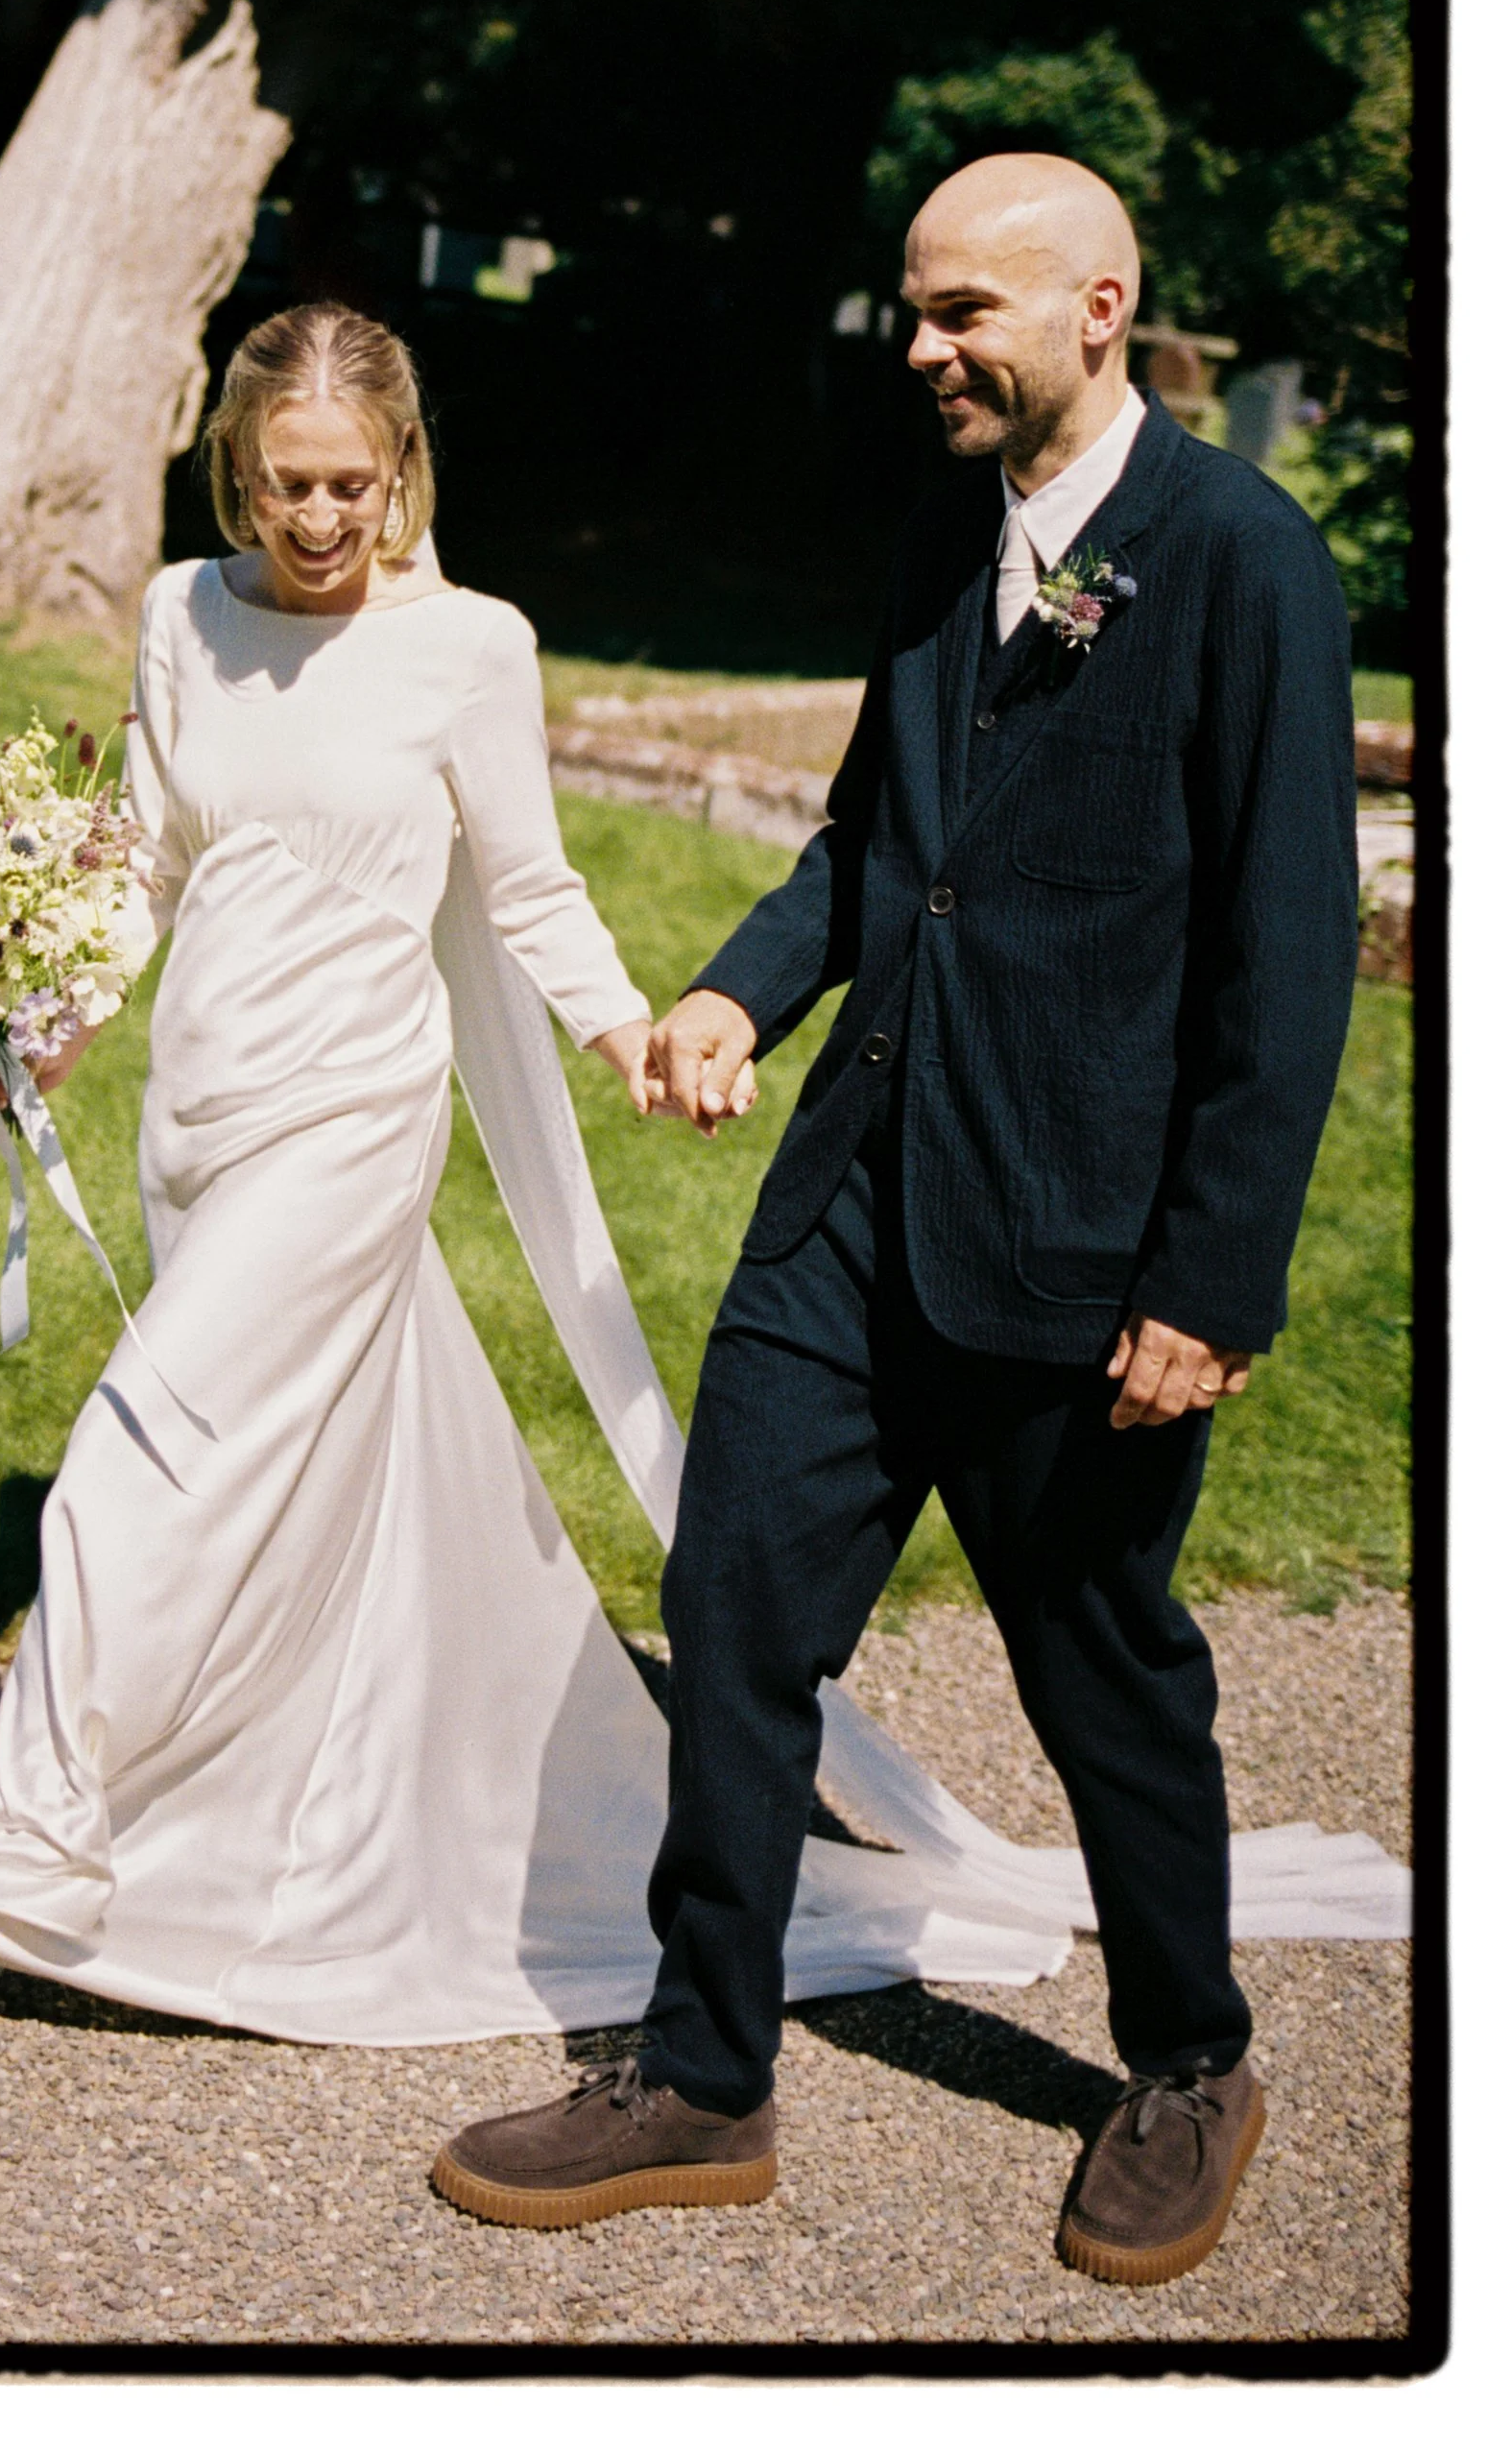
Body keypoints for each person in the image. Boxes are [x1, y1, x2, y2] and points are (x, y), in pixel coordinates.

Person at [435, 155, 1363, 2288]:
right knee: (737, 1625)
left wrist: (1207, 1281)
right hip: (847, 1210)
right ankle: (697, 2076)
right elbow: (878, 842)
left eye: (965, 314)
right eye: (913, 310)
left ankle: (1187, 2065)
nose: (922, 350)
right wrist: (731, 991)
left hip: (1079, 1250)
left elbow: (1283, 960)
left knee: (1100, 1671)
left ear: (1098, 309)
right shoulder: (943, 533)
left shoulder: (1241, 563)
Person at [0, 302, 697, 2043]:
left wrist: (629, 1036)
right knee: (280, 1508)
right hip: (196, 1116)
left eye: (355, 485)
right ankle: (281, 1833)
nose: (322, 520)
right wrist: (50, 1014)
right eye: (289, 484)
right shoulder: (178, 616)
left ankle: (3, 1876)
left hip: (354, 1121)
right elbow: (148, 855)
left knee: (122, 1483)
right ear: (236, 467)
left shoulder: (474, 647)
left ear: (404, 468)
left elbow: (528, 894)